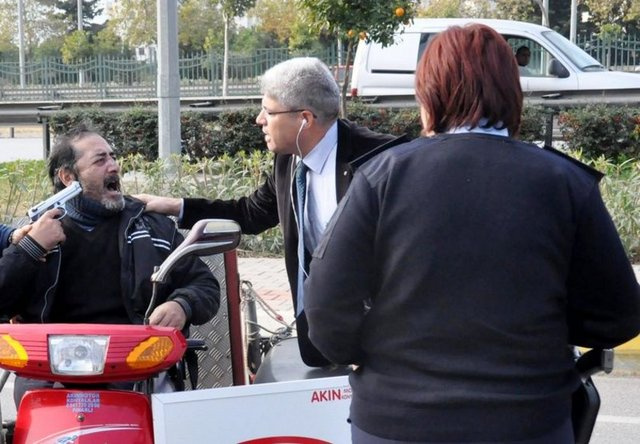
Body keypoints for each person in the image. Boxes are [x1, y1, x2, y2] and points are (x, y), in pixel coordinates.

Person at [304, 24, 640, 443]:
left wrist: (372, 356)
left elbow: (324, 310)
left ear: (428, 96)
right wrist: (547, 330)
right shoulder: (564, 182)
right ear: (511, 93)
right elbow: (620, 314)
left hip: (398, 419)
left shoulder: (381, 177)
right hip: (527, 419)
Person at [134, 57, 407, 367]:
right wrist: (174, 206)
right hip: (325, 331)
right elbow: (252, 213)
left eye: (268, 110)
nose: (259, 120)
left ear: (304, 118)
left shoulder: (382, 161)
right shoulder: (290, 159)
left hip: (387, 336)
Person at [0, 124, 220, 405]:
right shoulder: (36, 232)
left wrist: (182, 304)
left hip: (139, 367)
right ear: (68, 177)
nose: (114, 166)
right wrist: (30, 248)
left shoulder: (151, 226)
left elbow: (204, 284)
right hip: (49, 375)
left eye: (113, 157)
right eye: (100, 160)